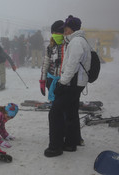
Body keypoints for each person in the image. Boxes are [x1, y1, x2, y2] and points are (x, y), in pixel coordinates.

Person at [44, 15, 91, 157]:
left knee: (55, 113)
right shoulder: (80, 40)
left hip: (72, 83)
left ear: (72, 28)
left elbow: (71, 66)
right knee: (70, 112)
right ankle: (71, 142)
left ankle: (55, 147)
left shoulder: (76, 42)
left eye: (66, 28)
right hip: (77, 83)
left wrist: (61, 83)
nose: (64, 31)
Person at [40, 20, 65, 101]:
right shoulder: (50, 47)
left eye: (57, 33)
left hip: (64, 81)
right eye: (53, 33)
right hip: (51, 80)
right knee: (55, 104)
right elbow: (45, 64)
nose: (55, 35)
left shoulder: (68, 46)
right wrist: (43, 81)